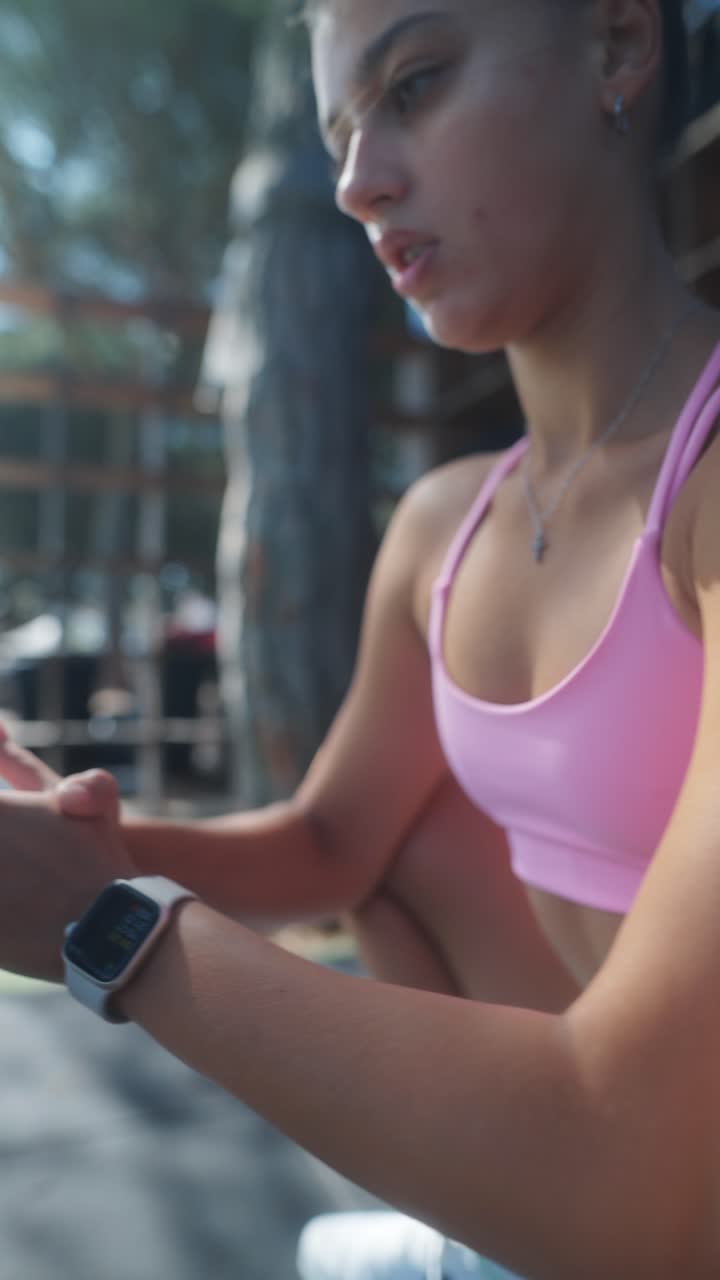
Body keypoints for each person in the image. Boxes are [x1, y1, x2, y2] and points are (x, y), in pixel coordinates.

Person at [0, 0, 719, 1275]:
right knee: (394, 849)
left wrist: (108, 920)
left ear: (616, 43)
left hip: (636, 1190)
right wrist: (57, 838)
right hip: (542, 1187)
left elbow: (641, 1172)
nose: (353, 181)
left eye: (416, 84)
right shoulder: (447, 523)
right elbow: (332, 843)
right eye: (339, 130)